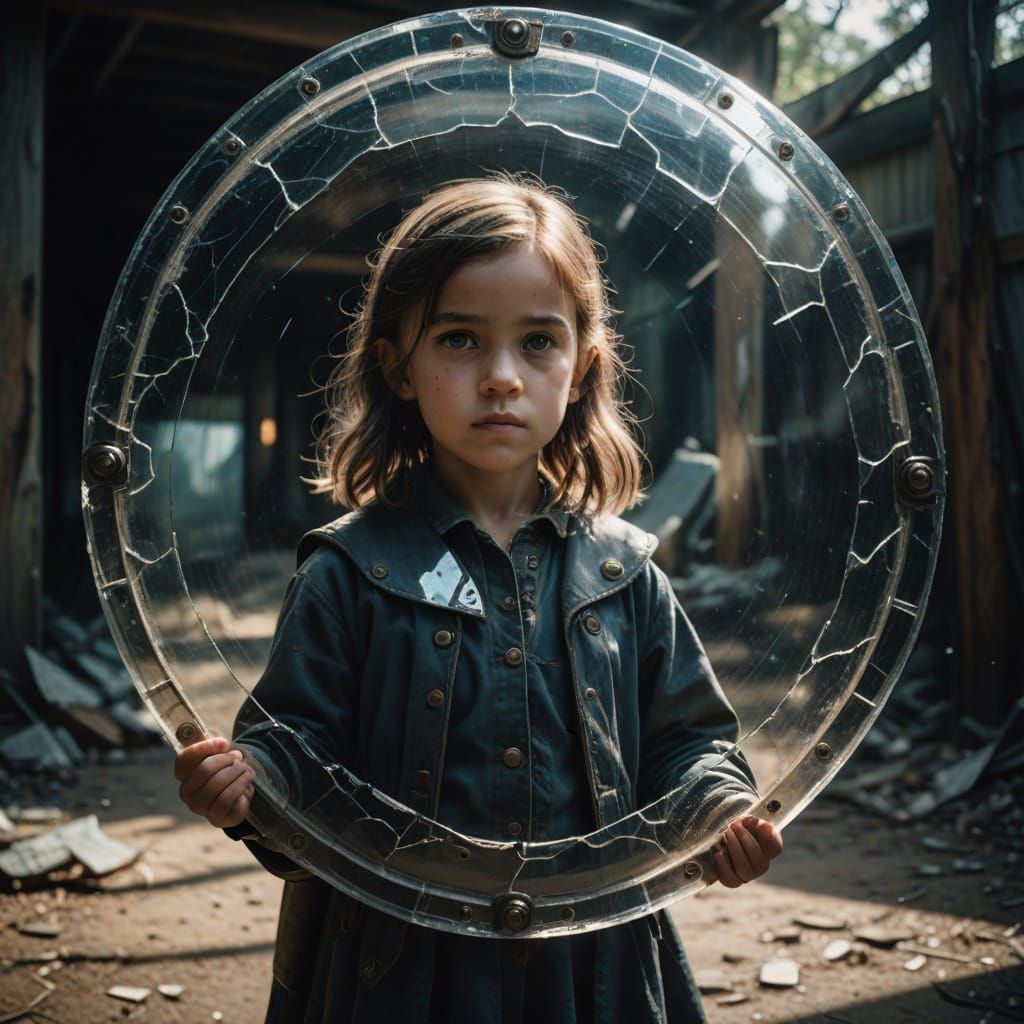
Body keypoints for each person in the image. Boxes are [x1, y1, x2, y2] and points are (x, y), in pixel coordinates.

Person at [172, 173, 783, 1024]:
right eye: (459, 339)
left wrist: (718, 810)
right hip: (397, 967)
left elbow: (690, 742)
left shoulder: (627, 573)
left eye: (537, 341)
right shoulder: (347, 571)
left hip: (589, 961)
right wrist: (247, 785)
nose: (501, 377)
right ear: (397, 365)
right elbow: (293, 747)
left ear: (583, 368)